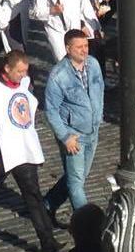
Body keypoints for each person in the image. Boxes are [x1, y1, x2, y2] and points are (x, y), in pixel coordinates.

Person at [0, 49, 60, 252]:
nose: (23, 76)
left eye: (25, 71)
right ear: (7, 69)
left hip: (21, 149)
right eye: (19, 72)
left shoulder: (23, 83)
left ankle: (47, 241)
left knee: (33, 194)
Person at [42, 30, 104, 224]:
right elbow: (51, 110)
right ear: (68, 49)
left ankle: (47, 204)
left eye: (86, 46)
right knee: (76, 184)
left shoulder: (93, 64)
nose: (84, 51)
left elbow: (100, 90)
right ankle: (90, 226)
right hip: (73, 135)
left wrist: (98, 117)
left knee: (77, 177)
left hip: (92, 131)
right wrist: (65, 137)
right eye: (79, 47)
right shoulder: (58, 76)